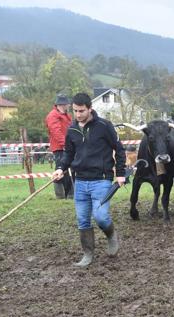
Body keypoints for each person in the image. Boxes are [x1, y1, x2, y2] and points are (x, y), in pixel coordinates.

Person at [51, 93, 126, 267]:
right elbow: (69, 153)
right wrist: (61, 168)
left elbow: (119, 149)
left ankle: (111, 235)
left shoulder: (104, 126)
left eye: (81, 111)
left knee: (100, 216)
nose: (78, 114)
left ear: (90, 108)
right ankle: (87, 254)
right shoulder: (72, 130)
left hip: (101, 179)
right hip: (80, 181)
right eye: (75, 111)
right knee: (83, 220)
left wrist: (120, 173)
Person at [45, 94, 73, 199]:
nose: (69, 106)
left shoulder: (66, 115)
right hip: (60, 147)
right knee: (60, 170)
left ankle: (70, 194)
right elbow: (55, 132)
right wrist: (65, 144)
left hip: (67, 146)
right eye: (67, 104)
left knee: (70, 170)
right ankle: (60, 195)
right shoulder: (53, 116)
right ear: (62, 104)